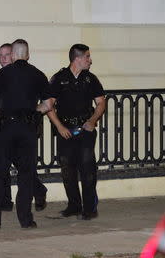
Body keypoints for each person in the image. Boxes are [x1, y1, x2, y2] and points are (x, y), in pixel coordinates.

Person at [0, 39, 51, 229]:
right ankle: (26, 220)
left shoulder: (3, 73)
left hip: (5, 129)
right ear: (28, 55)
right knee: (26, 174)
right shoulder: (38, 75)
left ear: (13, 55)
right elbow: (48, 104)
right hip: (28, 130)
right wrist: (33, 112)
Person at [46, 43, 106, 220]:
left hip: (85, 130)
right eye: (87, 57)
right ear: (77, 59)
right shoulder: (59, 78)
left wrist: (92, 120)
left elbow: (101, 103)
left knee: (88, 169)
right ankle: (74, 206)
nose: (90, 60)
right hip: (66, 131)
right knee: (68, 169)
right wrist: (59, 126)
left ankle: (89, 208)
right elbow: (49, 105)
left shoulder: (91, 79)